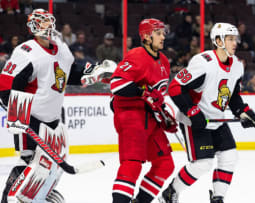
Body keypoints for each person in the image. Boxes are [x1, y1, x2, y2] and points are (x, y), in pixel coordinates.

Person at [0, 9, 111, 203]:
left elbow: (71, 74)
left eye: (49, 22)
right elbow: (5, 85)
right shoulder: (26, 51)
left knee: (50, 164)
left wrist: (95, 71)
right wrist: (17, 115)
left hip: (52, 117)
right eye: (42, 23)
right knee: (29, 159)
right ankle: (6, 199)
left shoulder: (61, 48)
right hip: (29, 115)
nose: (48, 27)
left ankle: (36, 195)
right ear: (34, 27)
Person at [160, 22, 255, 203]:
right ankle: (170, 193)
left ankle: (218, 197)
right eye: (230, 39)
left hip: (217, 120)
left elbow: (233, 95)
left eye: (235, 39)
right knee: (202, 164)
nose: (235, 42)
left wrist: (243, 111)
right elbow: (175, 87)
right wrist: (192, 111)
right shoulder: (203, 63)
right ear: (218, 41)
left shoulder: (237, 65)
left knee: (230, 157)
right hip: (194, 122)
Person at [109, 18, 177, 203]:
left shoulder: (163, 61)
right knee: (132, 164)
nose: (163, 36)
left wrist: (164, 114)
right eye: (159, 33)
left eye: (163, 32)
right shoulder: (136, 55)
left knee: (165, 164)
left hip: (150, 119)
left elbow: (156, 96)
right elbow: (116, 85)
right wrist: (143, 92)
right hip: (131, 115)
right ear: (147, 36)